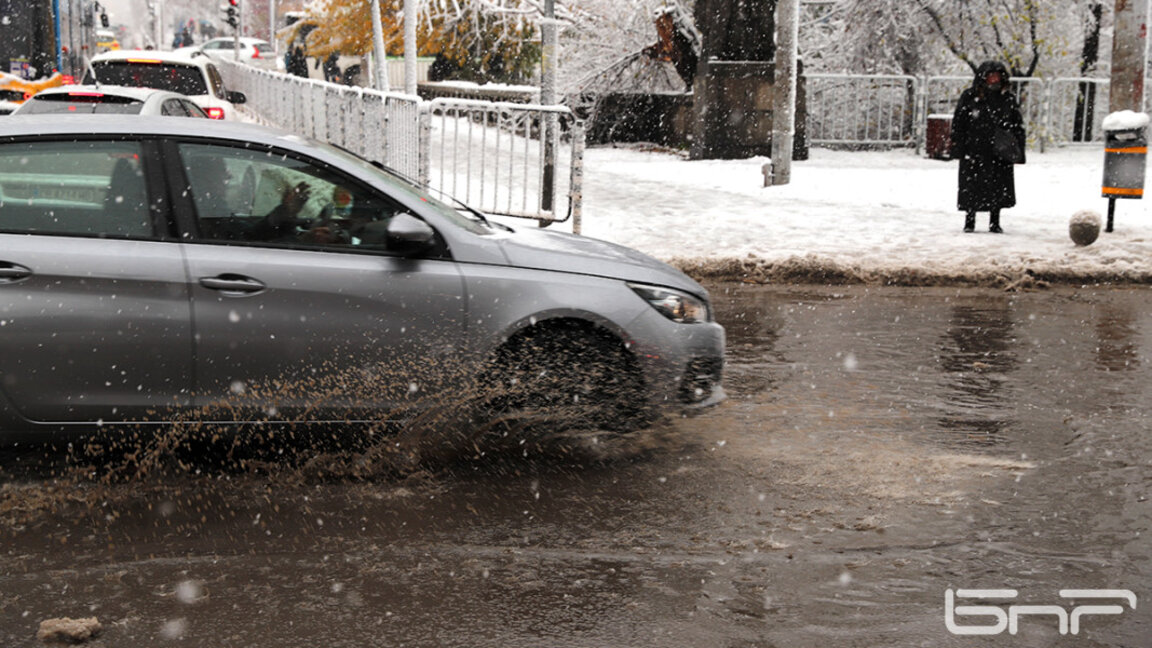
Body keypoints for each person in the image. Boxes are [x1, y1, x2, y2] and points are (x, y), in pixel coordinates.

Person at [949, 61, 1026, 234]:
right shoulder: (970, 97)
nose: (994, 79)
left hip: (998, 151)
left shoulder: (1007, 99)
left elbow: (1017, 124)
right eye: (990, 75)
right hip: (974, 150)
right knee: (972, 187)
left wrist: (1017, 149)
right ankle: (970, 220)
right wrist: (958, 145)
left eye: (997, 75)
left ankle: (995, 221)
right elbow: (959, 122)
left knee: (997, 188)